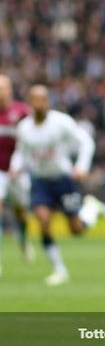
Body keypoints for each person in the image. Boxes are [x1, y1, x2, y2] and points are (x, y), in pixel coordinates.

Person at [9, 85, 103, 286]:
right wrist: (15, 166)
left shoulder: (61, 122)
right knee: (42, 220)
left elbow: (86, 142)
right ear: (29, 103)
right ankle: (59, 270)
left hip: (63, 179)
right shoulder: (24, 127)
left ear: (48, 102)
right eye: (34, 99)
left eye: (42, 99)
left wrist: (81, 166)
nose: (38, 103)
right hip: (41, 180)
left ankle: (92, 210)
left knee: (76, 229)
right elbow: (21, 152)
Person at [0, 74, 34, 277]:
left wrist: (23, 164)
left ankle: (23, 241)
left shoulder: (21, 112)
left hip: (18, 171)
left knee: (21, 212)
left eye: (3, 87)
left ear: (10, 90)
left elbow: (32, 141)